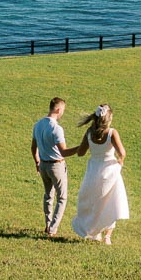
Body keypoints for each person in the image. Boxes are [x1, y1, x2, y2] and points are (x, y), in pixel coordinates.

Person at [70, 103, 130, 244]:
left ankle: (94, 232)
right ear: (108, 118)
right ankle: (107, 236)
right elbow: (122, 152)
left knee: (94, 203)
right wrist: (120, 161)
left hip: (93, 171)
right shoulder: (111, 133)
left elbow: (81, 153)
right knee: (110, 203)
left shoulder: (89, 133)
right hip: (109, 171)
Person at [31, 96, 80, 237]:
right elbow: (64, 151)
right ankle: (53, 229)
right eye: (63, 110)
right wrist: (80, 148)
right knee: (62, 197)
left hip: (43, 165)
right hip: (56, 166)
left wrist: (37, 162)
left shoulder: (38, 125)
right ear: (58, 110)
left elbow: (33, 147)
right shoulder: (56, 129)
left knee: (48, 195)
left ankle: (47, 224)